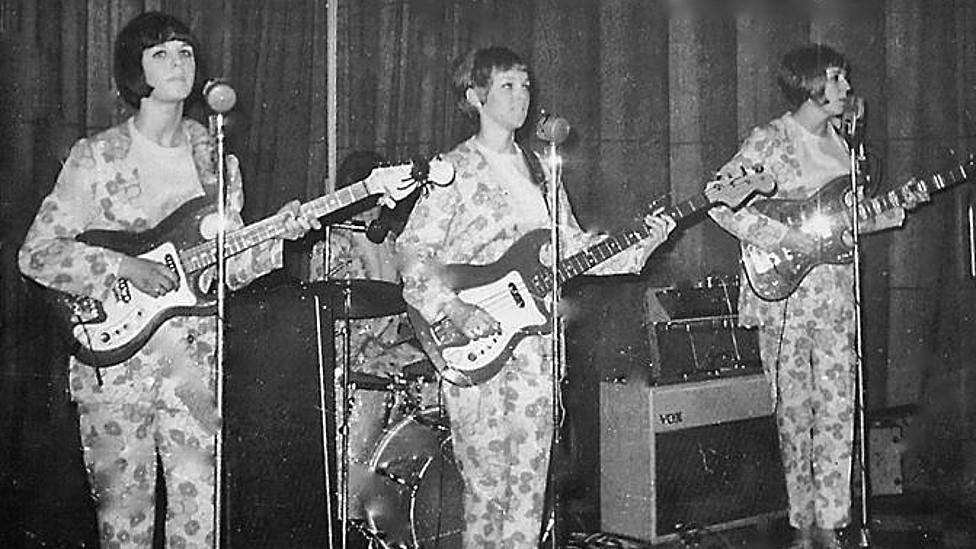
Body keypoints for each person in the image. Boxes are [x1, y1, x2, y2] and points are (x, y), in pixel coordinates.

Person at [17, 12, 318, 548]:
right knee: (125, 526)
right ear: (136, 71)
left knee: (200, 521)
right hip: (115, 364)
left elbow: (228, 268)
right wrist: (124, 267)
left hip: (195, 366)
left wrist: (279, 236)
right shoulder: (96, 157)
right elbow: (37, 254)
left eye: (185, 52)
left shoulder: (216, 158)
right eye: (161, 53)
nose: (179, 62)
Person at [395, 46, 676, 548]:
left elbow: (573, 248)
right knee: (486, 491)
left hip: (538, 351)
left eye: (526, 85)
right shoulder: (452, 169)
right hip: (472, 342)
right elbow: (414, 254)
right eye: (508, 85)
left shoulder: (543, 171)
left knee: (529, 487)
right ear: (475, 96)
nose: (522, 96)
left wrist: (644, 240)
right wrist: (456, 308)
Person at [708, 44, 922, 549]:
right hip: (783, 297)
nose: (846, 90)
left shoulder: (846, 147)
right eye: (836, 79)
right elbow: (718, 200)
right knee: (794, 413)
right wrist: (783, 239)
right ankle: (800, 525)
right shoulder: (769, 140)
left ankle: (834, 524)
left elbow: (845, 225)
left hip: (835, 298)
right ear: (809, 83)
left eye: (845, 80)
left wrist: (893, 210)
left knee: (838, 409)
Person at [308, 151, 429, 525]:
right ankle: (350, 521)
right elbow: (329, 319)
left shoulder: (393, 242)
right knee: (356, 463)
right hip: (354, 367)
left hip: (392, 359)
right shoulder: (332, 244)